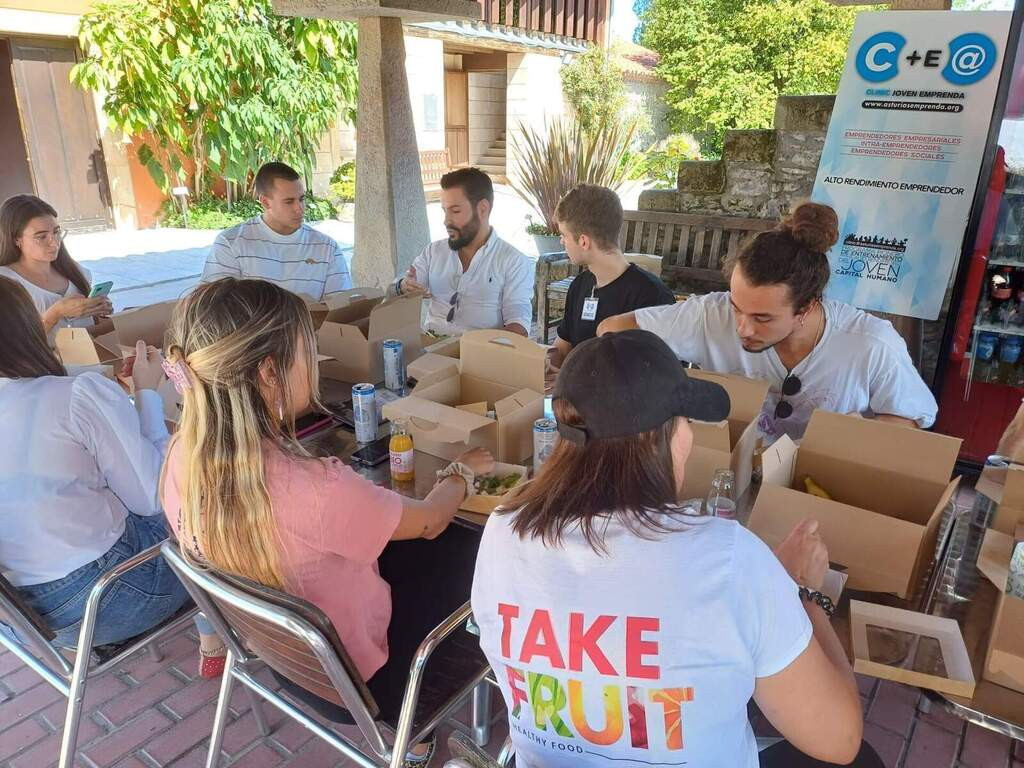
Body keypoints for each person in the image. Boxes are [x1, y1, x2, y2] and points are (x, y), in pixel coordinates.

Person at [472, 330, 881, 768]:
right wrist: (801, 592)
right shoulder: (731, 560)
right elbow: (839, 740)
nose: (688, 434)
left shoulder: (501, 530)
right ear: (657, 439)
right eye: (685, 422)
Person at [160, 277, 495, 762]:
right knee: (472, 545)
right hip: (367, 679)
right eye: (308, 351)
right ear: (270, 373)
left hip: (286, 659)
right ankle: (417, 738)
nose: (314, 365)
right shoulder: (317, 489)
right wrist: (462, 473)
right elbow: (430, 521)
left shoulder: (177, 457)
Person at [0, 276, 217, 656]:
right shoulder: (77, 393)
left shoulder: (65, 393)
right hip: (106, 599)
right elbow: (154, 495)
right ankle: (228, 629)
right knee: (217, 499)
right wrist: (146, 392)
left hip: (26, 619)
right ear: (26, 327)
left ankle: (212, 630)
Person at [597, 202, 937, 443]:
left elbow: (908, 417)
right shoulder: (709, 315)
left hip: (819, 490)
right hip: (725, 475)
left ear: (806, 308)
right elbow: (611, 330)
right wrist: (668, 385)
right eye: (737, 307)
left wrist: (857, 435)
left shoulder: (871, 343)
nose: (743, 328)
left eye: (763, 318)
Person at [547, 183, 675, 374]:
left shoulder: (652, 296)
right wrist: (546, 362)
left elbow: (655, 377)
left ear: (583, 241)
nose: (562, 241)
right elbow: (563, 347)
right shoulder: (580, 285)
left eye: (564, 235)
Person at [396, 167, 533, 336]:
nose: (446, 221)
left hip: (479, 355)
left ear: (483, 209)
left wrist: (490, 351)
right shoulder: (434, 251)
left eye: (455, 211)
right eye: (444, 211)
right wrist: (404, 286)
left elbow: (518, 323)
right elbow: (404, 285)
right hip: (430, 350)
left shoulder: (514, 262)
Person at [200, 162, 352, 302]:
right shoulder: (230, 244)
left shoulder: (327, 247)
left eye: (301, 199)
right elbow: (215, 308)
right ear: (265, 202)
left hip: (311, 331)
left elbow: (340, 308)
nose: (299, 208)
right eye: (289, 201)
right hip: (252, 331)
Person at [0, 195, 113, 345]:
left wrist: (97, 310)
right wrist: (56, 313)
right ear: (16, 239)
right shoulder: (6, 282)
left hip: (93, 362)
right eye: (41, 237)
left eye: (56, 232)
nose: (54, 242)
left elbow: (89, 332)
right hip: (44, 367)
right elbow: (14, 346)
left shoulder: (77, 272)